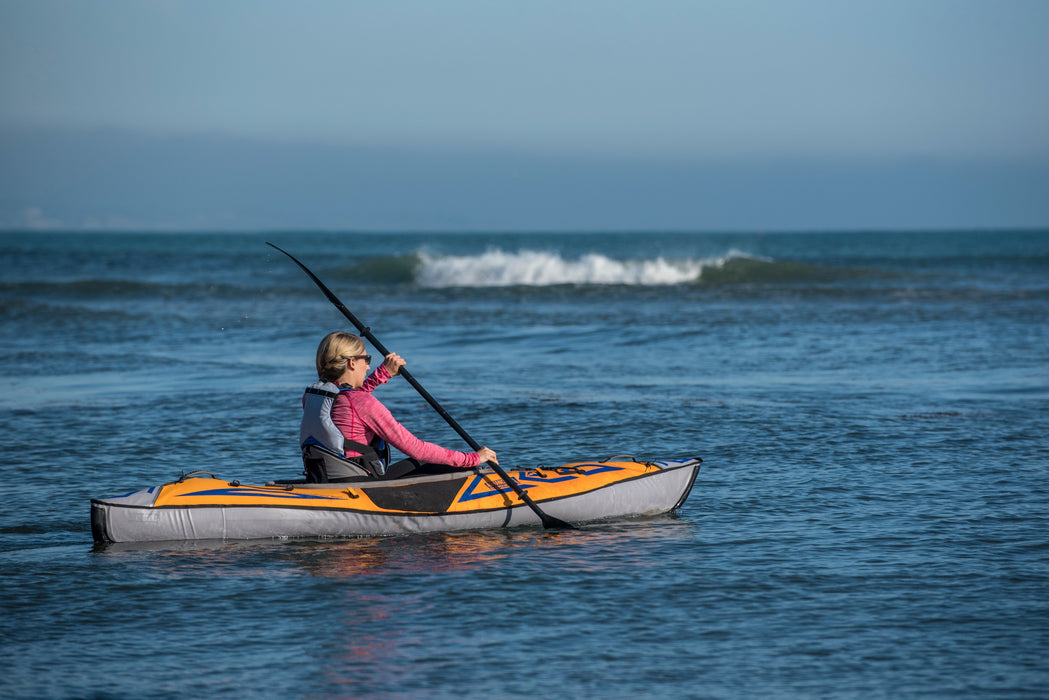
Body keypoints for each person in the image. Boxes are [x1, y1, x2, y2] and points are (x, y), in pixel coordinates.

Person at [300, 331, 497, 481]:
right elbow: (416, 448)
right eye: (366, 359)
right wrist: (472, 459)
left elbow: (350, 403)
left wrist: (382, 374)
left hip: (326, 477)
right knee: (428, 461)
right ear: (352, 362)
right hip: (360, 482)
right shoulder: (362, 402)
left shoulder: (314, 396)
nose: (368, 366)